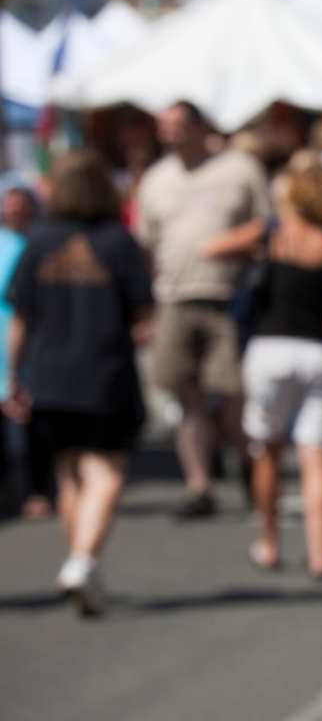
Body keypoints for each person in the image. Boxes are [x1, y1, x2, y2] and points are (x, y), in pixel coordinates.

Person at [5, 151, 155, 616]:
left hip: (50, 375)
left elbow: (20, 319)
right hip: (104, 372)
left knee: (69, 473)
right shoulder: (118, 243)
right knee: (105, 469)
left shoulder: (39, 242)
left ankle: (81, 564)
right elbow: (144, 315)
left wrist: (13, 377)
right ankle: (83, 560)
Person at [137, 102, 269, 519]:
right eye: (164, 126)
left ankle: (248, 466)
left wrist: (233, 247)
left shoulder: (239, 169)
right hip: (172, 298)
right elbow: (146, 243)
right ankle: (199, 484)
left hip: (226, 297)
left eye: (177, 126)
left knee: (231, 393)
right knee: (183, 394)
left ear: (199, 127)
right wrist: (144, 309)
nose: (169, 134)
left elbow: (267, 225)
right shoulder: (156, 179)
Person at [234, 162, 322, 579]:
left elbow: (212, 247)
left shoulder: (273, 232)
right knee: (314, 453)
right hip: (318, 349)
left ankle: (268, 541)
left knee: (266, 449)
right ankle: (319, 552)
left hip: (270, 347)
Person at [0, 187, 41, 516]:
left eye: (21, 207)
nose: (14, 212)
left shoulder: (39, 245)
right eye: (9, 207)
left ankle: (33, 490)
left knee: (27, 423)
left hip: (32, 345)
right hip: (4, 344)